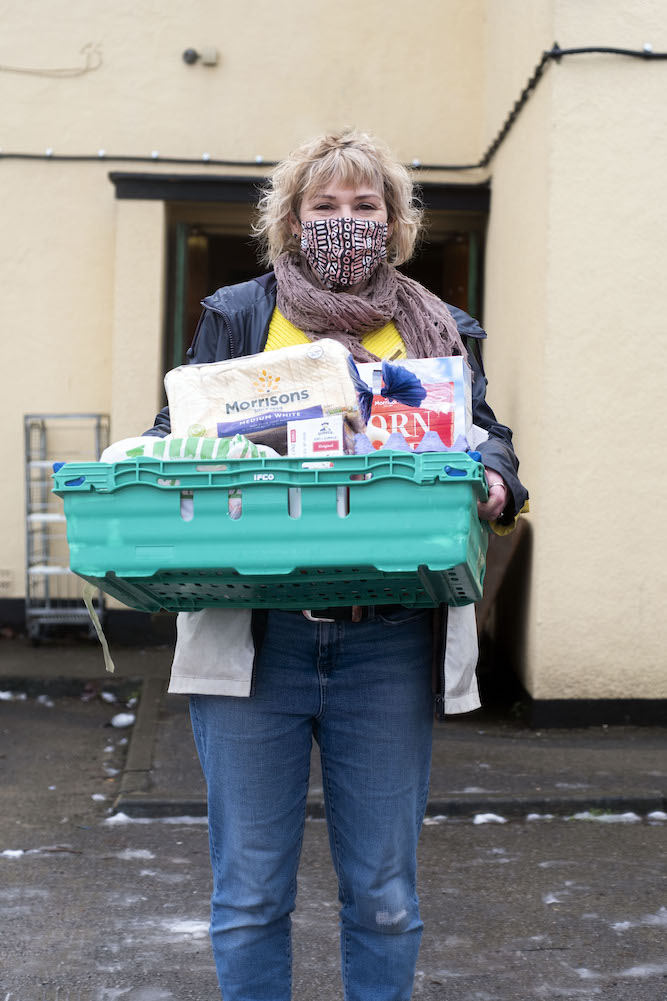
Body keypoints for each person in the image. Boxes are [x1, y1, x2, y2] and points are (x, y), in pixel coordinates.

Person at [144, 130, 528, 1001]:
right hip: (256, 634)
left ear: (393, 224)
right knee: (248, 894)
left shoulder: (438, 328)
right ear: (290, 219)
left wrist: (497, 480)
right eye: (324, 206)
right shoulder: (237, 315)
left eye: (366, 207)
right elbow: (174, 430)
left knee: (385, 896)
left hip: (387, 641)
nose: (345, 222)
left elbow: (486, 435)